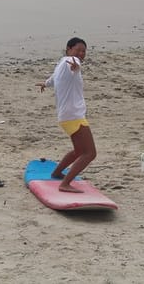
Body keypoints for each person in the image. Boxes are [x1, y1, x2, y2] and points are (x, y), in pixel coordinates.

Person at [37, 37, 97, 193]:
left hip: (67, 116)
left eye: (84, 51)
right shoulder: (71, 61)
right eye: (78, 50)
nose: (81, 53)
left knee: (79, 151)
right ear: (69, 49)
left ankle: (57, 173)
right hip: (74, 116)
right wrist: (76, 64)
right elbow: (74, 66)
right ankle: (65, 183)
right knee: (90, 153)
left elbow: (54, 79)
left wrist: (45, 83)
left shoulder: (61, 63)